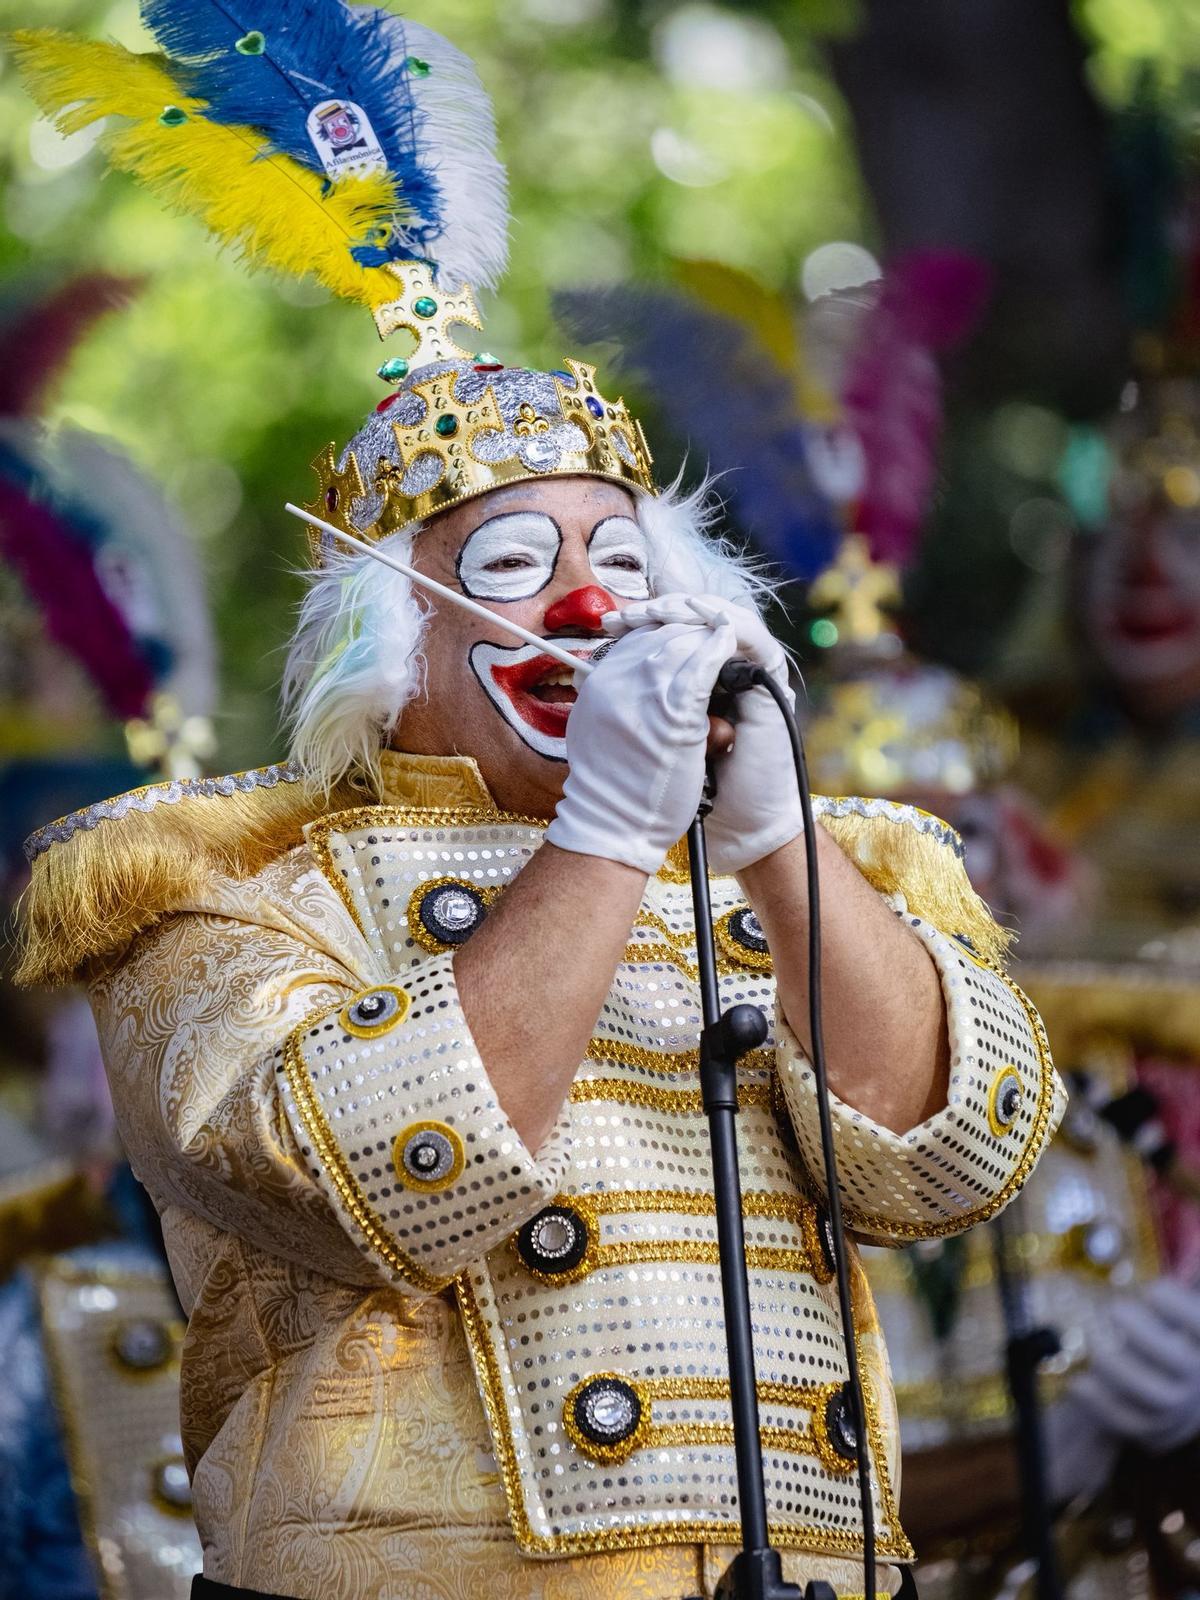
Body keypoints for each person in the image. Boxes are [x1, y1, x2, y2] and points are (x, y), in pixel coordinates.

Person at [14, 9, 1064, 1597]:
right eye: (512, 573)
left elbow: (954, 1165)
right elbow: (353, 1177)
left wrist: (775, 848)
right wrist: (600, 843)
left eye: (625, 568)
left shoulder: (830, 869)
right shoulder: (212, 885)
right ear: (395, 650)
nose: (589, 610)